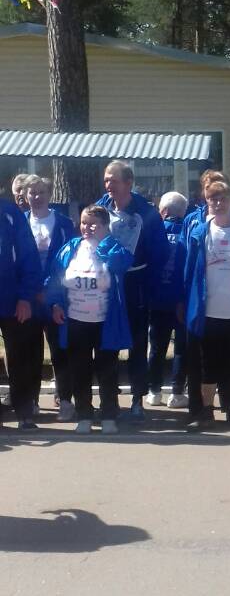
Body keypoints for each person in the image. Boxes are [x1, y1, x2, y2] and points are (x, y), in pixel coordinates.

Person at [45, 206, 133, 434]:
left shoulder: (113, 247)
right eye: (84, 223)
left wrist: (102, 243)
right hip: (76, 320)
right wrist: (55, 304)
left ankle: (109, 415)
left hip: (105, 322)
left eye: (94, 224)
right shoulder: (70, 248)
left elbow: (121, 263)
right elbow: (54, 279)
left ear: (105, 226)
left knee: (107, 370)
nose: (87, 228)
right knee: (79, 370)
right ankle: (84, 414)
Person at [96, 159, 169, 422]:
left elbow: (161, 253)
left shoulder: (146, 212)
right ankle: (109, 400)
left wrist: (147, 283)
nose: (108, 185)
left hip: (135, 284)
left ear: (128, 183)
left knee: (137, 344)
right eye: (106, 180)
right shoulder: (100, 207)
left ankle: (138, 398)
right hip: (105, 285)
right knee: (106, 343)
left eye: (113, 180)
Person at [184, 179, 230, 431]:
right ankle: (206, 413)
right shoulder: (199, 233)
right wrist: (187, 304)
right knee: (208, 366)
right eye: (213, 199)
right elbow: (189, 273)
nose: (218, 203)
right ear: (206, 202)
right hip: (208, 313)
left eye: (223, 198)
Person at [24, 174, 76, 420]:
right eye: (32, 193)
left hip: (57, 297)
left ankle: (65, 399)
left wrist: (53, 294)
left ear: (49, 194)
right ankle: (31, 401)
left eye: (41, 192)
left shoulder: (64, 223)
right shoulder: (20, 222)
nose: (37, 197)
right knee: (31, 352)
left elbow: (70, 260)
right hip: (29, 298)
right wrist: (31, 291)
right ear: (26, 196)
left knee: (60, 350)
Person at [0, 194, 43, 429]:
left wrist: (25, 297)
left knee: (19, 357)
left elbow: (29, 257)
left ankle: (24, 411)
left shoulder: (10, 213)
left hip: (12, 301)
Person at [147, 191, 189, 409]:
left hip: (157, 299)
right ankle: (177, 392)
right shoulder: (188, 232)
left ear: (163, 211)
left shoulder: (155, 232)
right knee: (181, 348)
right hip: (182, 300)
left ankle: (154, 391)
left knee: (156, 347)